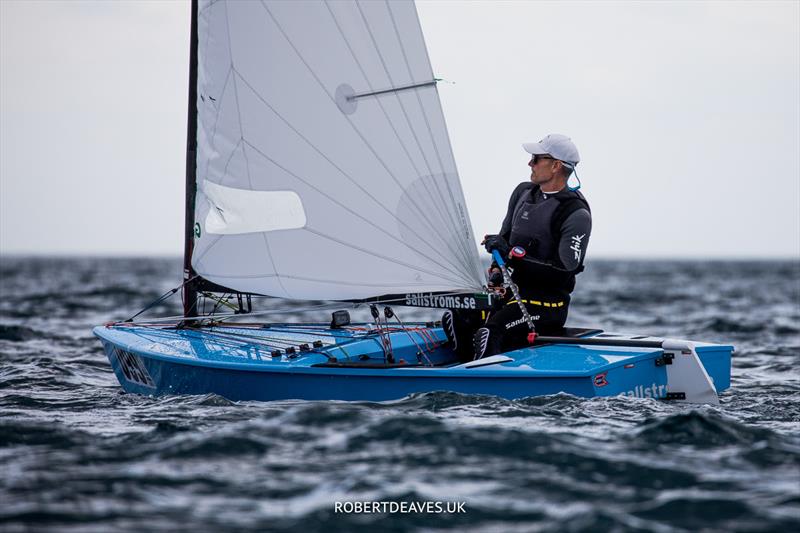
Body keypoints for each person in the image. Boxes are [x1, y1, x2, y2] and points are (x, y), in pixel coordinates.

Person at [444, 134, 592, 361]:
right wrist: (495, 271)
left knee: (489, 332)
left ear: (555, 166)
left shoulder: (575, 213)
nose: (530, 163)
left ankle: (484, 389)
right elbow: (504, 238)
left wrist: (513, 257)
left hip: (546, 304)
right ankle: (459, 374)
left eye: (536, 158)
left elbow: (563, 272)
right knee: (455, 315)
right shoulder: (523, 192)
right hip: (510, 294)